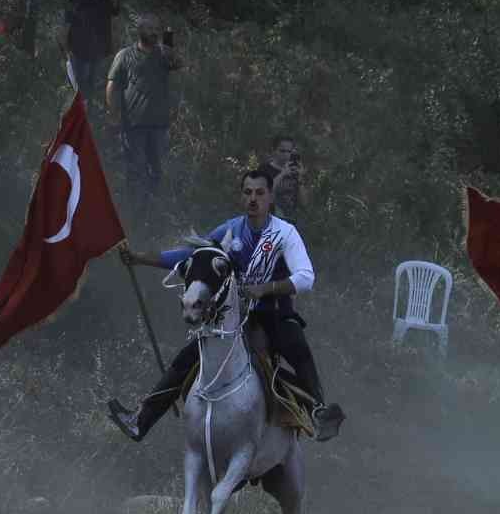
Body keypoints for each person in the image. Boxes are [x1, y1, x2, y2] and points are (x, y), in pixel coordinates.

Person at [107, 170, 346, 443]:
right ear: (241, 197)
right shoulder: (230, 229)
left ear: (270, 197)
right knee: (187, 357)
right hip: (234, 316)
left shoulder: (285, 233)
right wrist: (140, 258)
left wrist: (265, 288)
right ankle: (140, 419)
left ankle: (319, 411)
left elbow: (305, 277)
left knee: (296, 347)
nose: (253, 199)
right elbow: (192, 255)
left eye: (259, 193)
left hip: (275, 314)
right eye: (248, 193)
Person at [107, 12, 182, 203]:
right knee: (135, 170)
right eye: (150, 29)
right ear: (140, 30)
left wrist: (169, 45)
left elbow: (177, 64)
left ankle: (151, 210)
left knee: (156, 171)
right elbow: (112, 85)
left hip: (158, 124)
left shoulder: (163, 55)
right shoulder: (125, 55)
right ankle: (134, 211)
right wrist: (114, 114)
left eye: (157, 29)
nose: (154, 33)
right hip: (133, 124)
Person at [62, 0, 121, 105]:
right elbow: (74, 1)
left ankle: (91, 120)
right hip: (82, 37)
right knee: (78, 83)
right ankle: (72, 117)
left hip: (101, 39)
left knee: (94, 85)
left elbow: (114, 12)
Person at [257, 135, 308, 216]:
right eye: (282, 151)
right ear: (274, 150)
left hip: (291, 219)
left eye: (289, 151)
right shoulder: (264, 169)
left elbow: (304, 203)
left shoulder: (295, 170)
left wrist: (300, 178)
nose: (286, 155)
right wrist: (283, 173)